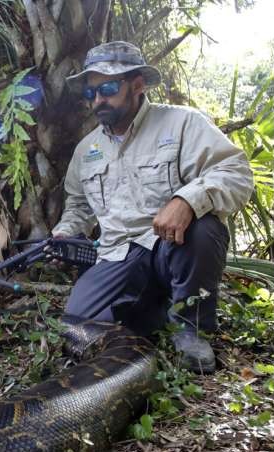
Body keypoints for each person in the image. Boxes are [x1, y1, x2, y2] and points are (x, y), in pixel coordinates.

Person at [52, 41, 254, 373]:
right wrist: (64, 232)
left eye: (108, 89)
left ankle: (191, 329)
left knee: (204, 228)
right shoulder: (87, 149)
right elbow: (78, 205)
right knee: (76, 325)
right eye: (91, 93)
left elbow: (235, 172)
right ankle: (155, 313)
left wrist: (186, 201)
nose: (98, 100)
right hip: (118, 254)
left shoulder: (182, 123)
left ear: (137, 85)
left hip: (171, 245)